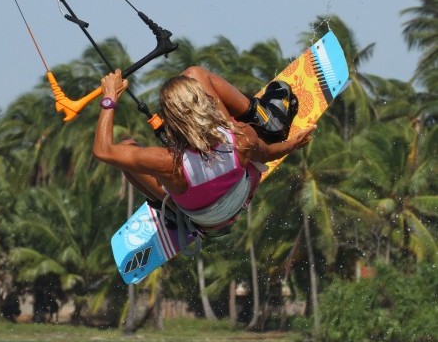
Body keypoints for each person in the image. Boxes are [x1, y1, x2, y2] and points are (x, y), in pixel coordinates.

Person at [93, 66, 315, 236]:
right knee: (195, 72)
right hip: (241, 198)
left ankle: (173, 209)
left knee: (125, 150)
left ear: (170, 119)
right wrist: (293, 144)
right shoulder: (241, 137)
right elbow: (267, 153)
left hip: (201, 218)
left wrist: (110, 96)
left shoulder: (168, 163)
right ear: (204, 101)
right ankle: (264, 117)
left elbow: (103, 151)